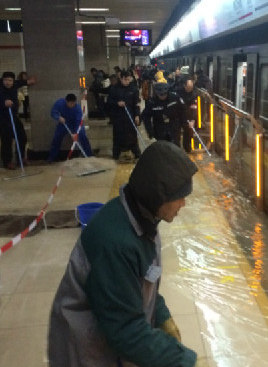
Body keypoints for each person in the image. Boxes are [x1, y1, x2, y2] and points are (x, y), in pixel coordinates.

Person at [48, 141, 199, 367]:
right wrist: (184, 360)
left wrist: (160, 313)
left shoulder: (142, 219)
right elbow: (125, 330)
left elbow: (140, 280)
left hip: (110, 343)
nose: (183, 204)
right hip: (87, 352)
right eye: (178, 196)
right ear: (157, 195)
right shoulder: (115, 241)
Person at [0, 71, 34, 169]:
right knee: (7, 138)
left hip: (13, 116)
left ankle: (21, 158)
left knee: (22, 136)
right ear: (3, 80)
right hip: (1, 117)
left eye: (10, 80)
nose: (8, 83)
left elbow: (20, 82)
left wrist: (28, 81)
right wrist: (4, 102)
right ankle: (7, 162)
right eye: (6, 80)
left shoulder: (14, 85)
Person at [47, 93, 93, 162]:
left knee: (83, 136)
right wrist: (58, 117)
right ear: (66, 101)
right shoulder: (59, 103)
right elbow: (53, 112)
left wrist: (76, 133)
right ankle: (51, 158)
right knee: (57, 137)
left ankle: (89, 156)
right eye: (70, 103)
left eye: (73, 103)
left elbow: (78, 122)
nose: (72, 105)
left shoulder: (77, 108)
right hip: (64, 123)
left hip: (75, 124)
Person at [108, 69, 142, 160]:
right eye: (125, 79)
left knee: (132, 136)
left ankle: (137, 153)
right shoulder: (114, 89)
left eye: (128, 79)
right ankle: (116, 154)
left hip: (130, 116)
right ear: (121, 78)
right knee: (118, 136)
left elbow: (136, 103)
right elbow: (109, 102)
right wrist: (117, 103)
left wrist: (137, 115)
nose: (127, 81)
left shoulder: (134, 89)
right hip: (118, 117)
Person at [141, 80, 184, 147]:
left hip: (173, 127)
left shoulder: (175, 98)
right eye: (160, 95)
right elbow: (146, 117)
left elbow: (182, 110)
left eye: (164, 94)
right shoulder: (152, 102)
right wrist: (150, 132)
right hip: (159, 128)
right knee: (162, 149)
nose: (163, 96)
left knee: (176, 148)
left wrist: (183, 124)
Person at [175, 75, 198, 153]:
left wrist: (193, 120)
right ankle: (176, 149)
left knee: (188, 132)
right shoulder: (177, 92)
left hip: (187, 115)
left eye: (191, 87)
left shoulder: (194, 94)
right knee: (176, 133)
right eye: (188, 87)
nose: (190, 89)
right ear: (184, 85)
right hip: (177, 115)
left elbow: (194, 107)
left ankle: (187, 148)